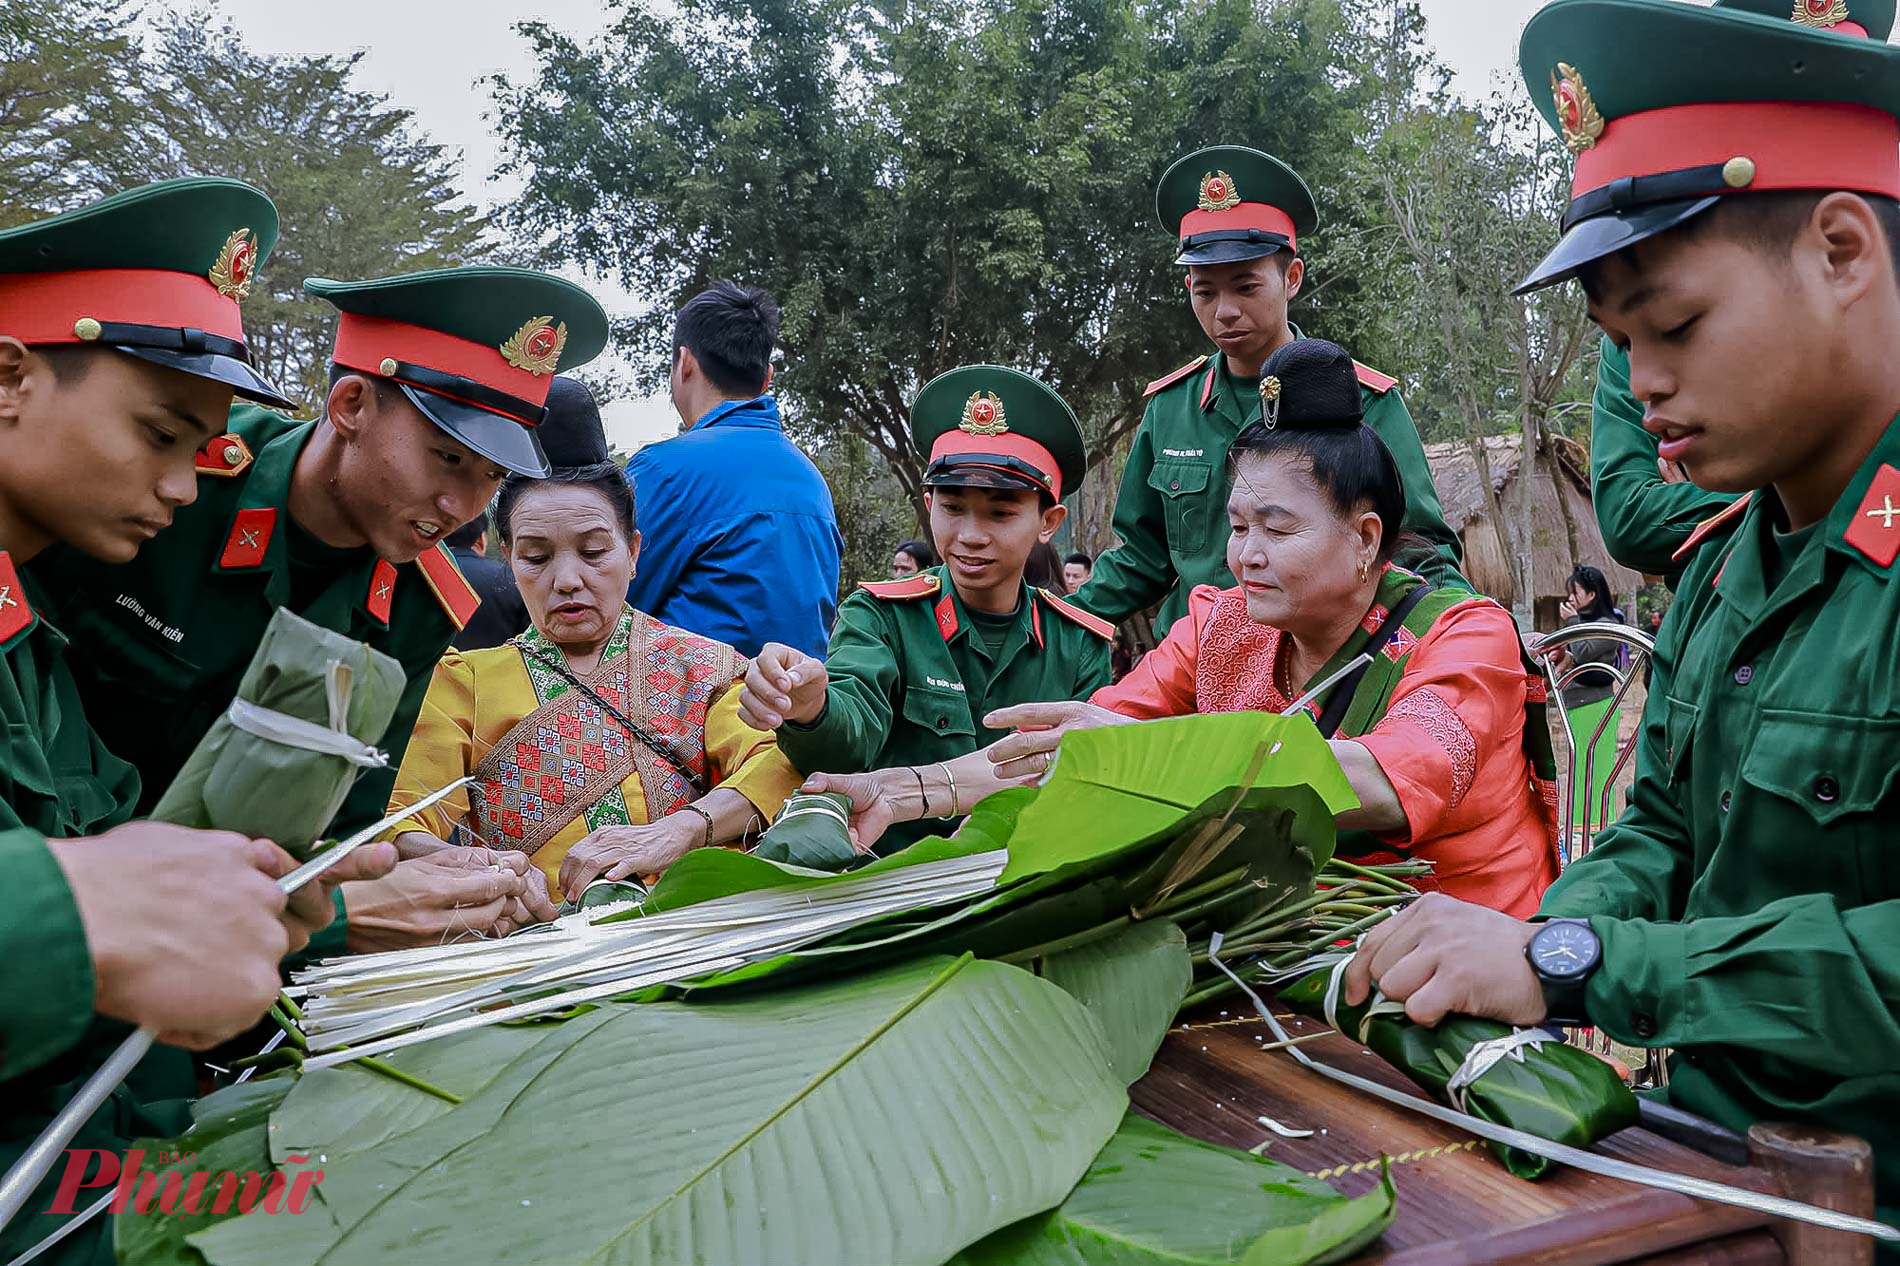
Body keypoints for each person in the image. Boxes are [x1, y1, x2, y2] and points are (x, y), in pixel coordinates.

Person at [1340, 0, 1900, 1231]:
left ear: (1843, 252)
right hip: (1711, 1178)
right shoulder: (1722, 566)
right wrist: (1533, 945)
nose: (1643, 383)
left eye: (1676, 325)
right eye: (1617, 342)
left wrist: (1581, 966)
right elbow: (1653, 837)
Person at [811, 342, 1560, 916]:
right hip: (1291, 938)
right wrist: (903, 789)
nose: (1246, 555)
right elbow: (1084, 739)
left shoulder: (1464, 638)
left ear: (1366, 539)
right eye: (1237, 526)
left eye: (1275, 528)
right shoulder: (1225, 622)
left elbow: (1377, 781)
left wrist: (1144, 756)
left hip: (1458, 946)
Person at [0, 179, 395, 1263]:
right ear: (8, 377)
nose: (184, 487)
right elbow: (95, 897)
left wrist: (276, 904)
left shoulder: (31, 644)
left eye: (208, 451)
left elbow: (125, 859)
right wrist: (78, 913)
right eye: (161, 434)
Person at [32, 264, 613, 957]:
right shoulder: (164, 481)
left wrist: (409, 875)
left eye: (490, 477)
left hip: (216, 947)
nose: (462, 509)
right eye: (447, 459)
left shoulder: (422, 606)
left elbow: (341, 822)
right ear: (350, 405)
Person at [1073, 145, 1467, 637]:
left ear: (1292, 278)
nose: (1225, 311)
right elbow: (1141, 558)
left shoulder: (1364, 403)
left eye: (1246, 287)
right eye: (1206, 291)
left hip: (1320, 675)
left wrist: (1470, 634)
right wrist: (1059, 621)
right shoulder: (1171, 409)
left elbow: (1419, 549)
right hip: (1191, 670)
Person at [386, 462, 802, 906]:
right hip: (538, 947)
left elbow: (778, 764)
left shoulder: (702, 666)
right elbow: (399, 819)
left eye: (594, 552)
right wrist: (485, 873)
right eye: (536, 558)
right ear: (508, 559)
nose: (567, 581)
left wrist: (681, 829)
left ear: (633, 552)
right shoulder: (465, 681)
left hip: (693, 930)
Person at [738, 365, 1115, 855]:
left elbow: (1085, 779)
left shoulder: (1079, 643)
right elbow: (847, 744)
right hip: (885, 882)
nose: (971, 535)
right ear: (929, 503)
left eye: (1001, 513)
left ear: (1049, 521)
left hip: (1020, 884)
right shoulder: (881, 616)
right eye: (953, 508)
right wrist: (810, 708)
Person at [625, 282, 843, 658]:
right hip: (794, 707)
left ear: (685, 362)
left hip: (689, 708)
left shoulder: (663, 469)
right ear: (766, 378)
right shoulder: (810, 480)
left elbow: (610, 603)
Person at [1588, 338, 1740, 585]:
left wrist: (1695, 499)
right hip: (1706, 593)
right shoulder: (1618, 350)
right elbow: (1630, 522)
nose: (1642, 388)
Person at [1550, 564, 1628, 839]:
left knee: (1598, 771)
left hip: (1598, 706)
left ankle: (1598, 831)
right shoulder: (1585, 624)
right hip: (1576, 704)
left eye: (1576, 592)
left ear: (1592, 595)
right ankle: (1578, 829)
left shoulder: (1609, 626)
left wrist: (1571, 622)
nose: (1570, 598)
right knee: (1578, 768)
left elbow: (1582, 650)